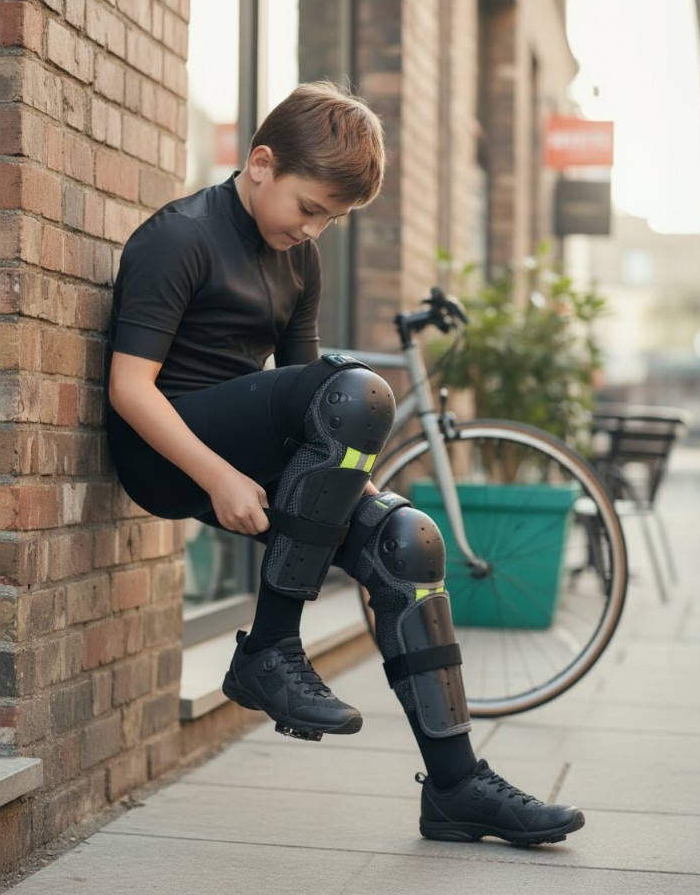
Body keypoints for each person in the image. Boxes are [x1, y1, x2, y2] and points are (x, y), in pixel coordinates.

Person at [105, 80, 585, 846]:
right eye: (310, 208)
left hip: (244, 457)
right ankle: (269, 647)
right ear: (261, 164)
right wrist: (218, 477)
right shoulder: (179, 238)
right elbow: (130, 389)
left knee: (408, 543)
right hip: (166, 453)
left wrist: (352, 510)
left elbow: (309, 408)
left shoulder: (300, 264)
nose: (314, 230)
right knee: (361, 391)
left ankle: (458, 787)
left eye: (332, 219)